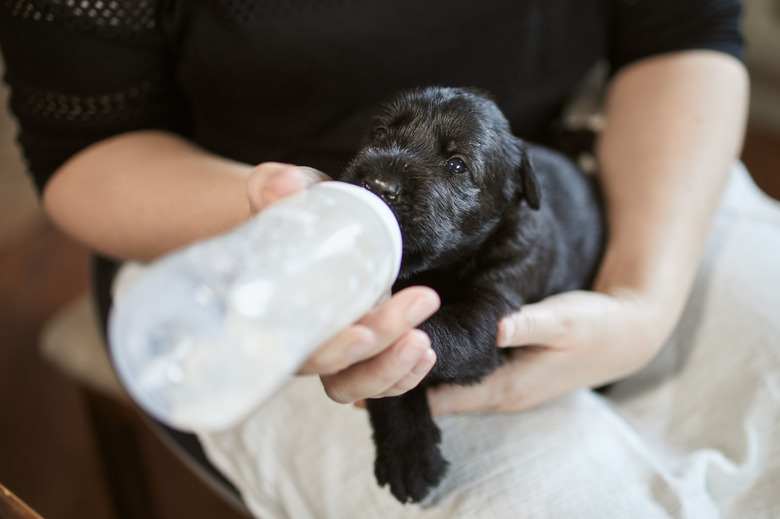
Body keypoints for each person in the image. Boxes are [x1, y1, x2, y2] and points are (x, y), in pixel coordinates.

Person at [0, 0, 750, 512]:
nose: (389, 167)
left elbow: (686, 23)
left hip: (636, 160)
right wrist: (280, 224)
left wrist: (644, 299)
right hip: (219, 218)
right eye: (388, 133)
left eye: (450, 166)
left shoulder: (521, 222)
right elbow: (83, 145)